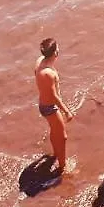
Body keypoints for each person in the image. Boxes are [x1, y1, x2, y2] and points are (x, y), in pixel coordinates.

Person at [35, 37, 74, 175]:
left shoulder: (40, 62)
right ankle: (63, 167)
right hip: (50, 107)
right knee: (62, 137)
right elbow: (53, 96)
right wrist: (66, 111)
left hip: (43, 103)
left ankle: (55, 154)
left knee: (54, 129)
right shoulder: (48, 74)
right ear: (55, 53)